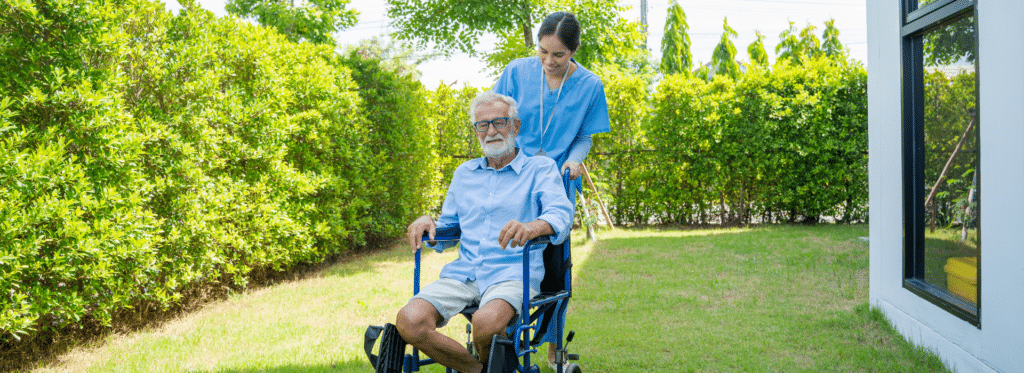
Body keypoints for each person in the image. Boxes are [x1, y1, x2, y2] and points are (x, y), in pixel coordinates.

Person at [397, 91, 574, 373]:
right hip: (465, 272)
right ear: (476, 131)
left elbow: (561, 214)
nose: (491, 131)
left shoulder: (539, 168)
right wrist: (428, 222)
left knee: (486, 324)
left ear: (515, 126)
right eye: (483, 125)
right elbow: (448, 228)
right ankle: (477, 370)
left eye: (499, 122)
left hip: (513, 273)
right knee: (409, 320)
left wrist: (532, 226)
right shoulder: (464, 173)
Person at [491, 11, 611, 369]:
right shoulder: (516, 71)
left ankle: (554, 351)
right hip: (514, 181)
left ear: (574, 51)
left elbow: (583, 136)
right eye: (543, 51)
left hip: (555, 187)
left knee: (555, 276)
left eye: (558, 55)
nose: (548, 61)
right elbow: (496, 118)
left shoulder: (589, 84)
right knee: (505, 261)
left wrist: (575, 161)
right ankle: (499, 338)